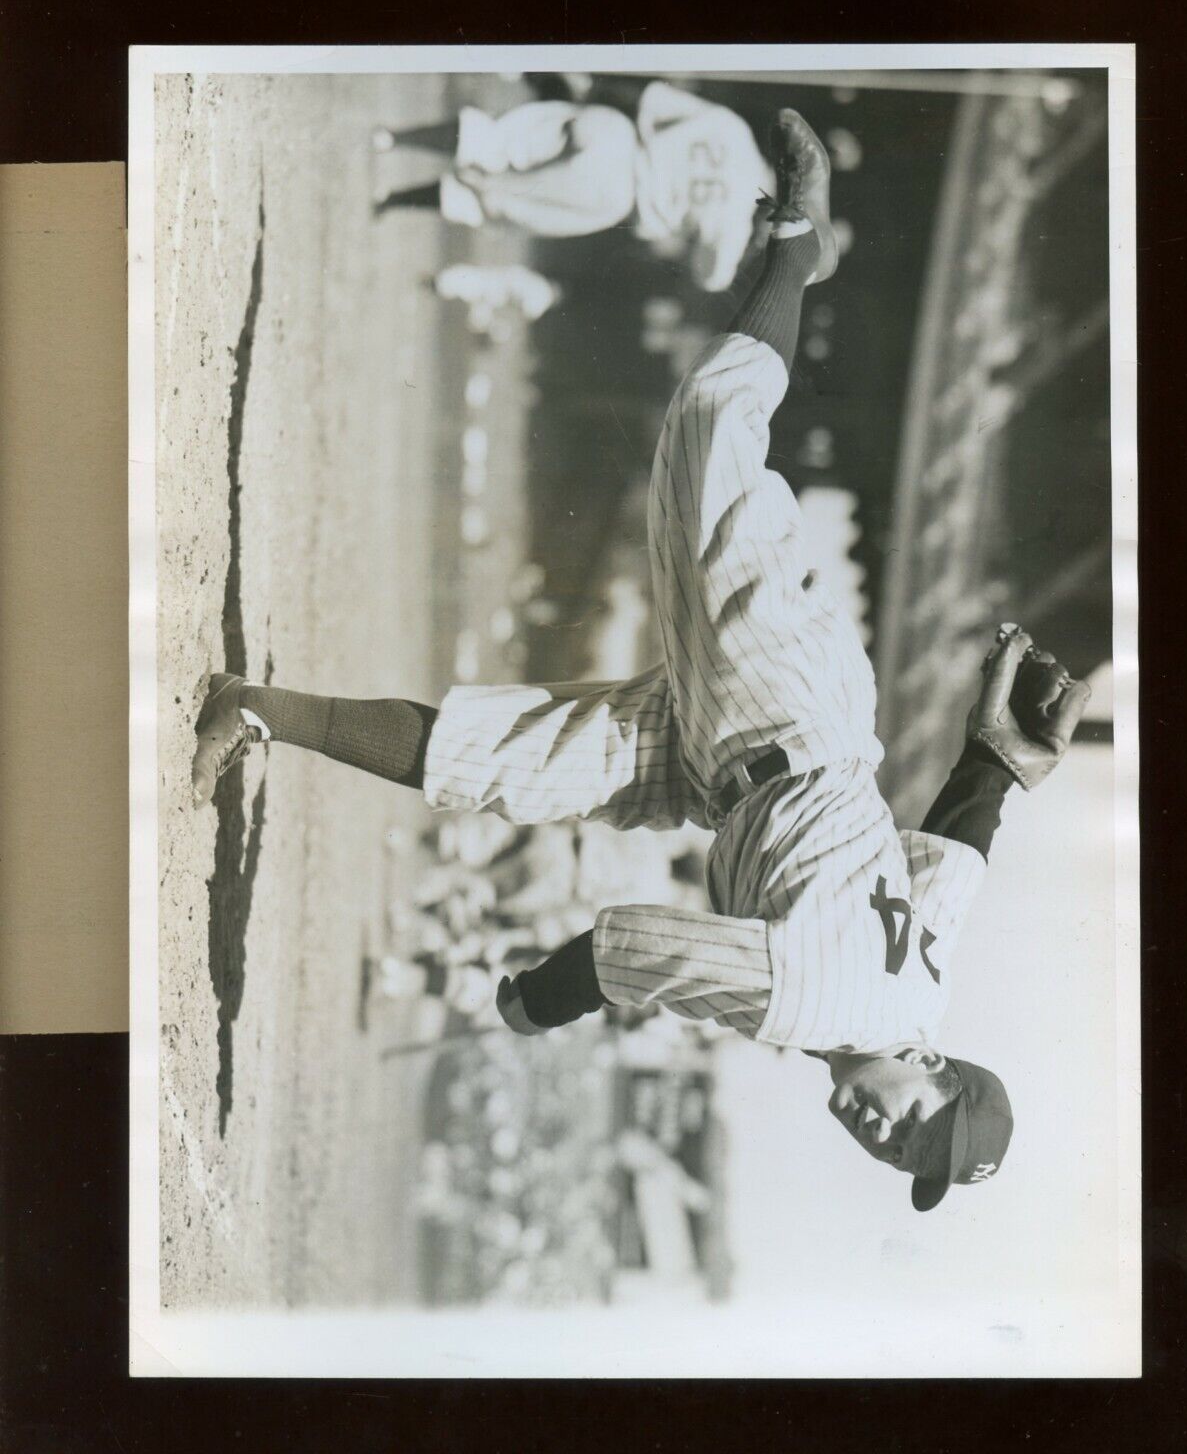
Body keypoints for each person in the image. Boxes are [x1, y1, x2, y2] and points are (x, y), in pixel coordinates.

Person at [193, 111, 1089, 1211]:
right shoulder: (812, 1008)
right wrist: (531, 1006)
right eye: (914, 1125)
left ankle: (247, 707)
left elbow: (956, 855)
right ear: (933, 1069)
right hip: (780, 705)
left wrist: (999, 765)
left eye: (901, 1158)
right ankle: (799, 232)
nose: (882, 1134)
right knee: (708, 429)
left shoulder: (924, 987)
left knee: (500, 762)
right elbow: (622, 947)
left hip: (720, 767)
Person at [371, 82, 775, 293]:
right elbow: (711, 277)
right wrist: (749, 244)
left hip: (618, 137)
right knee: (492, 203)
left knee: (496, 140)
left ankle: (393, 138)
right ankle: (394, 200)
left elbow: (652, 99)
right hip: (615, 196)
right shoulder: (739, 224)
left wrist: (593, 96)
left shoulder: (735, 129)